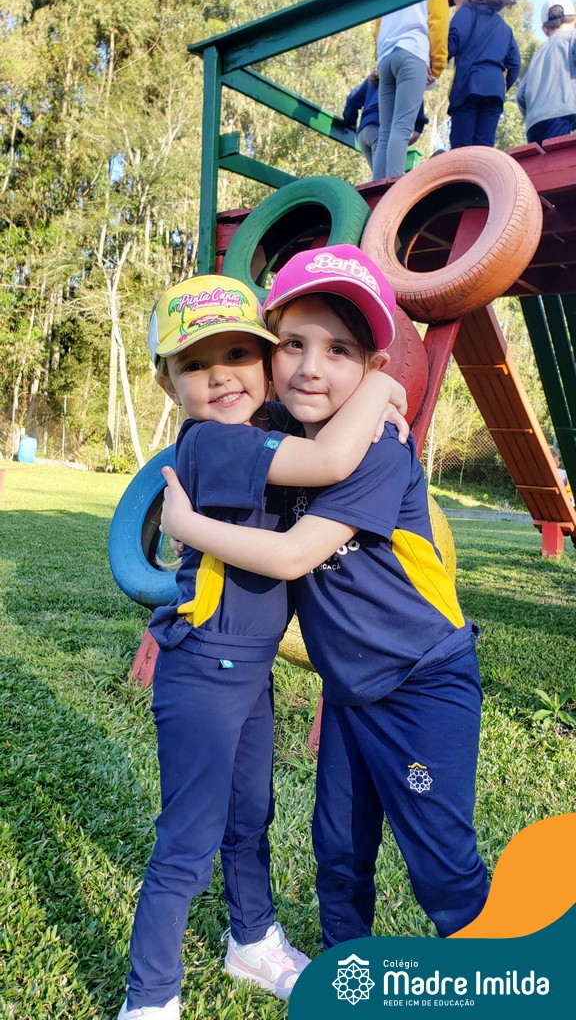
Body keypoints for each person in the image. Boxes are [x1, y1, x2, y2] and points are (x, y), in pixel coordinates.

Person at [159, 244, 490, 948]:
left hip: (422, 685)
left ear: (369, 364)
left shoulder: (376, 452)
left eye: (339, 351)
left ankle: (501, 975)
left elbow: (292, 556)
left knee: (439, 860)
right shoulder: (276, 439)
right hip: (348, 691)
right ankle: (350, 976)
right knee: (337, 850)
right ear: (268, 353)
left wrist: (187, 527)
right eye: (294, 344)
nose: (311, 367)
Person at [117, 271, 408, 1019]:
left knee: (250, 817)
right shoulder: (213, 443)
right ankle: (150, 998)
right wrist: (382, 386)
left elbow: (326, 433)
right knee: (188, 842)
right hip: (202, 672)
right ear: (168, 382)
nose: (221, 376)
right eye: (195, 364)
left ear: (267, 361)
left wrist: (371, 402)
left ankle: (251, 940)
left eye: (240, 355)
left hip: (247, 672)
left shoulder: (265, 427)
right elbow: (329, 463)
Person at [372, 0, 448, 180]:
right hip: (413, 50)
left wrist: (380, 57)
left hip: (386, 57)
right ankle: (394, 186)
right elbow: (438, 22)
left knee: (385, 131)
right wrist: (437, 66)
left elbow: (378, 23)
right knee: (402, 126)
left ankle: (377, 187)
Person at [448, 0, 521, 149]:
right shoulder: (505, 28)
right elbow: (514, 64)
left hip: (468, 85)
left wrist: (433, 65)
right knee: (484, 149)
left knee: (461, 148)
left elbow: (454, 40)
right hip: (494, 92)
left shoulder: (467, 12)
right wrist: (502, 86)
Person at [516, 0, 576, 145]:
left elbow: (520, 94)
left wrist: (532, 117)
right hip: (561, 115)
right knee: (560, 157)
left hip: (534, 123)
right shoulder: (572, 38)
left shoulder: (538, 54)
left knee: (541, 159)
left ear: (545, 30)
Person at [343, 71, 429, 170]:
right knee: (386, 175)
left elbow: (352, 99)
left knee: (379, 175)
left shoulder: (376, 75)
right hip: (381, 132)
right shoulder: (409, 79)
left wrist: (350, 122)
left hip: (363, 133)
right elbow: (418, 121)